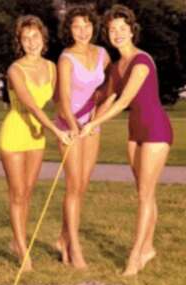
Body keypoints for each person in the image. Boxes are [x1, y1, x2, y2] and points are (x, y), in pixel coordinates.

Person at [81, 5, 173, 276]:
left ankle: (135, 256)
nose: (117, 34)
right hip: (135, 132)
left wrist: (94, 124)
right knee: (145, 192)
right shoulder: (116, 66)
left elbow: (123, 101)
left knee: (145, 194)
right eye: (112, 30)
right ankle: (148, 248)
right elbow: (107, 96)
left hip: (156, 130)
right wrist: (85, 121)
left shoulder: (142, 61)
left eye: (122, 28)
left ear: (133, 30)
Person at [0, 15, 72, 271]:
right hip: (15, 132)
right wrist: (54, 129)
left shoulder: (51, 68)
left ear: (43, 38)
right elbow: (29, 103)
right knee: (17, 194)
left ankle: (16, 240)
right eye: (25, 38)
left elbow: (60, 102)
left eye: (35, 37)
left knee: (27, 192)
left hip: (37, 136)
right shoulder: (15, 70)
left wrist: (73, 124)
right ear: (20, 42)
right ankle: (23, 253)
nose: (31, 42)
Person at [54, 5, 110, 269]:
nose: (83, 31)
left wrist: (96, 118)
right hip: (69, 126)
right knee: (73, 185)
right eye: (77, 26)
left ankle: (63, 239)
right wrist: (75, 125)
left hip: (92, 126)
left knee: (83, 186)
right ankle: (75, 249)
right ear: (69, 30)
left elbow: (108, 89)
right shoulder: (66, 58)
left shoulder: (102, 54)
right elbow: (63, 99)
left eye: (87, 25)